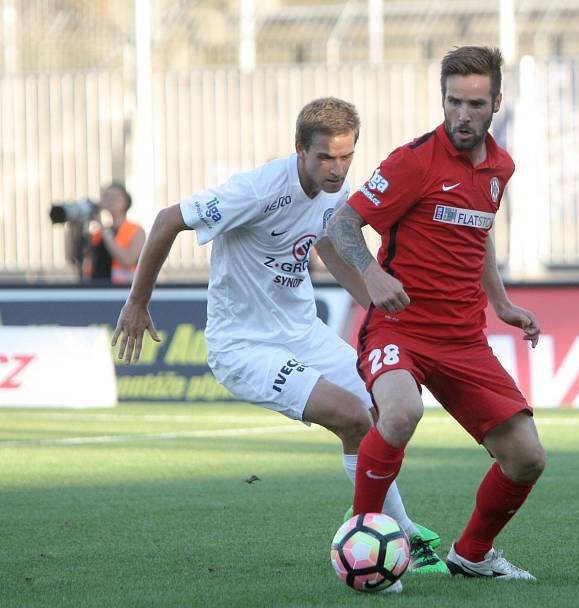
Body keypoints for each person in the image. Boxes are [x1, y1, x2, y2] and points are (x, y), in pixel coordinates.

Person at [110, 98, 445, 586]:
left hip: (304, 333)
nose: (336, 170)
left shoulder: (337, 188)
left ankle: (402, 536)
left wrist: (376, 304)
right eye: (324, 158)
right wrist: (138, 302)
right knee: (352, 417)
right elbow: (166, 220)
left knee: (387, 409)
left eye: (345, 157)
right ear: (299, 150)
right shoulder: (257, 190)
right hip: (245, 346)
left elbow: (329, 241)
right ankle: (383, 541)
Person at [327, 47, 547, 580]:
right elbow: (341, 225)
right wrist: (373, 277)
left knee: (526, 458)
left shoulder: (501, 167)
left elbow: (479, 233)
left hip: (465, 339)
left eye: (475, 103)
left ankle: (472, 554)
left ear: (496, 102)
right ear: (442, 100)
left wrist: (501, 303)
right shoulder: (414, 161)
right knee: (401, 413)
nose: (462, 115)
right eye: (453, 102)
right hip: (401, 328)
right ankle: (365, 540)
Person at [83, 182, 146, 284]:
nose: (111, 200)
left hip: (122, 289)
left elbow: (128, 261)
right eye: (107, 196)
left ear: (126, 201)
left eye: (116, 196)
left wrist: (104, 232)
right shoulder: (98, 233)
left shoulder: (136, 230)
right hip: (97, 288)